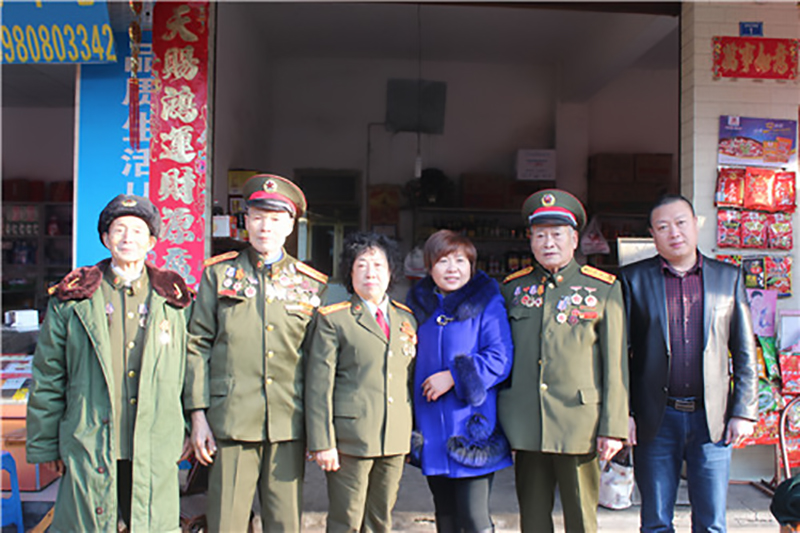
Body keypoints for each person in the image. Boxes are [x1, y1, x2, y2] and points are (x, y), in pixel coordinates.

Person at [26, 194, 193, 532]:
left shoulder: (173, 299)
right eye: (119, 230)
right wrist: (45, 444)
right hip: (89, 436)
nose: (128, 238)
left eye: (138, 231)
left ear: (152, 241)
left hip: (155, 436)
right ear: (105, 238)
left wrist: (192, 424)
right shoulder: (74, 299)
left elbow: (191, 368)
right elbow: (48, 374)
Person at [184, 174, 328, 532]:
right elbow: (196, 344)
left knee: (284, 523)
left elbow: (318, 363)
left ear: (290, 226)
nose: (266, 227)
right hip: (230, 420)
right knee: (226, 522)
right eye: (258, 217)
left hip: (288, 422)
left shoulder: (310, 284)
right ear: (245, 221)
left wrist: (318, 431)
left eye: (276, 219)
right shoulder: (219, 275)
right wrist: (198, 416)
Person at [620, 193, 757, 533]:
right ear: (652, 234)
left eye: (681, 223)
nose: (674, 233)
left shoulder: (728, 278)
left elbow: (744, 352)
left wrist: (744, 411)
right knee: (655, 521)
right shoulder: (633, 280)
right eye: (663, 227)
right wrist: (624, 413)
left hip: (712, 419)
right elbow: (620, 354)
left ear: (696, 224)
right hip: (655, 418)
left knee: (711, 523)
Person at [497, 189, 629, 533]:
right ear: (530, 240)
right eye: (540, 235)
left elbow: (616, 366)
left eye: (557, 234)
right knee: (533, 519)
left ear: (574, 239)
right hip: (527, 421)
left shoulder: (603, 289)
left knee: (581, 518)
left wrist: (613, 428)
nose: (548, 243)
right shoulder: (512, 289)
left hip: (580, 422)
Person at [305, 232, 416, 533]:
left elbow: (406, 380)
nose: (370, 273)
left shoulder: (406, 319)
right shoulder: (334, 319)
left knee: (380, 520)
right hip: (349, 439)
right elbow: (319, 386)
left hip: (393, 437)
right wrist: (322, 442)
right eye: (361, 265)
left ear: (391, 272)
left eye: (378, 265)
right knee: (346, 520)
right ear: (350, 273)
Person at [406, 229, 514, 533]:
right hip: (431, 427)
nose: (452, 269)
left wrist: (454, 376)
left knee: (474, 517)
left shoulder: (487, 303)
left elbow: (500, 358)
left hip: (471, 428)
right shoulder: (418, 307)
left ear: (471, 265)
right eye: (443, 261)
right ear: (429, 267)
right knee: (445, 515)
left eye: (460, 261)